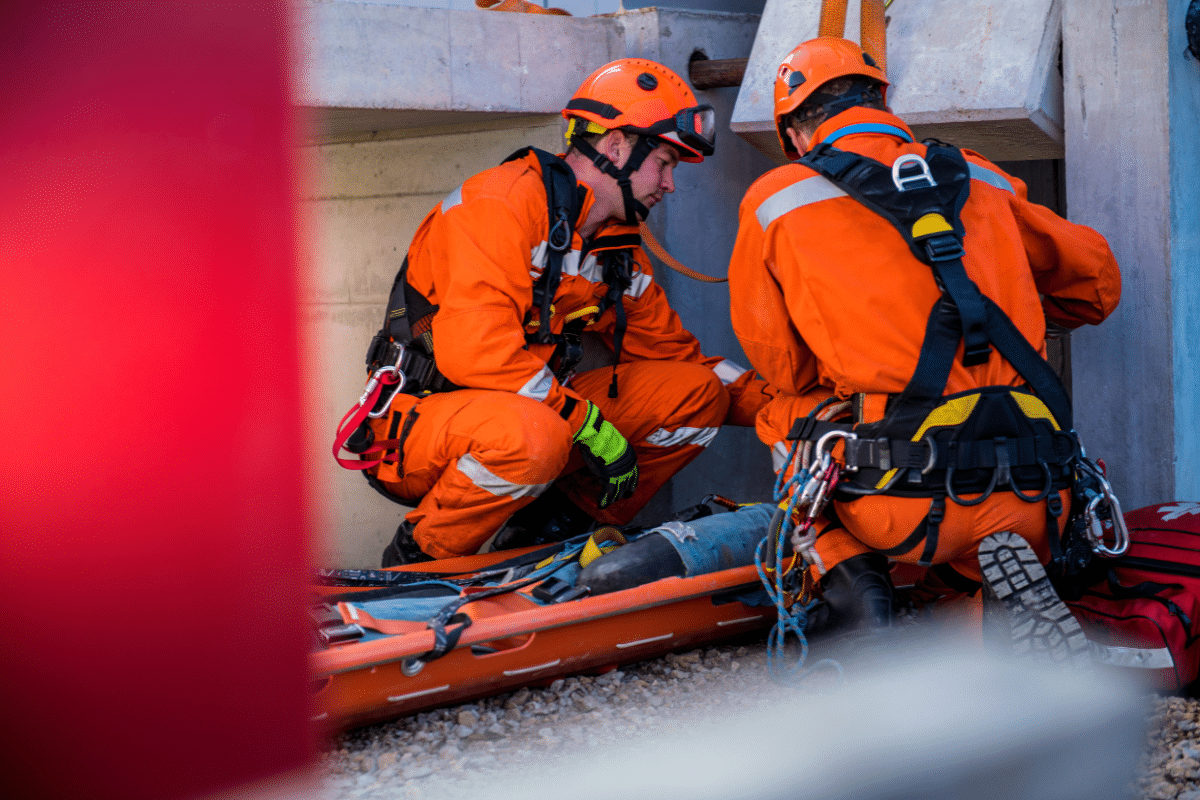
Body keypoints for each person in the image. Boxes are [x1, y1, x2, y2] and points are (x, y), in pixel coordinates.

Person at [726, 37, 1121, 652]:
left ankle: (853, 582)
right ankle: (981, 602)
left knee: (782, 411)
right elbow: (1098, 286)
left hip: (902, 507)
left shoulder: (776, 200)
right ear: (882, 100)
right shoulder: (980, 174)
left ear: (796, 132)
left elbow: (784, 365)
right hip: (1039, 497)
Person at [335, 58, 773, 565]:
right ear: (616, 147)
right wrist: (584, 422)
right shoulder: (499, 203)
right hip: (419, 426)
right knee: (533, 436)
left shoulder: (616, 252)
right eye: (666, 163)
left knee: (694, 395)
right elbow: (474, 351)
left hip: (531, 417)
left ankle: (548, 543)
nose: (670, 184)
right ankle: (419, 561)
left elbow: (685, 361)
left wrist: (787, 407)